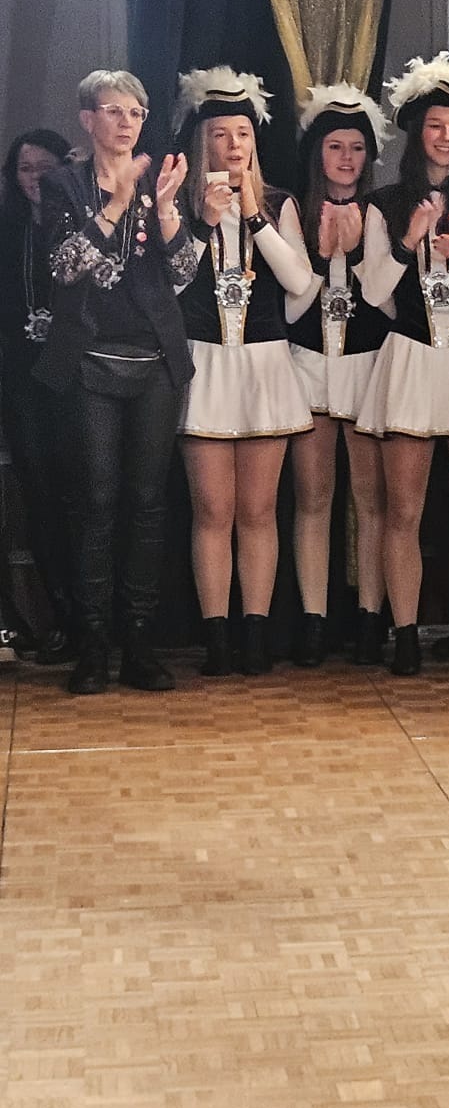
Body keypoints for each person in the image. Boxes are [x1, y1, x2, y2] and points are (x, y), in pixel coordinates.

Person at [35, 70, 196, 693]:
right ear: (87, 119)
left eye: (137, 112)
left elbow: (183, 274)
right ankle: (93, 646)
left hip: (154, 361)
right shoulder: (63, 183)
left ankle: (139, 642)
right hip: (88, 362)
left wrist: (168, 212)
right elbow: (64, 266)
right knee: (97, 503)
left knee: (148, 504)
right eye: (114, 111)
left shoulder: (159, 180)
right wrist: (115, 204)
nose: (127, 123)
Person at [356, 54, 449, 678]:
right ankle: (406, 632)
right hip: (412, 359)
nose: (447, 137)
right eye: (436, 126)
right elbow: (373, 293)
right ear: (417, 133)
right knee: (403, 510)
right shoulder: (383, 204)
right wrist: (408, 239)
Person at [177, 68, 316, 676]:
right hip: (204, 364)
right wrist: (205, 224)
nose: (233, 145)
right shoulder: (180, 202)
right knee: (213, 510)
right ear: (201, 142)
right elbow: (169, 285)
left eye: (242, 134)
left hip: (264, 365)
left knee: (259, 510)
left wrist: (256, 217)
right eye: (220, 135)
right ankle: (216, 636)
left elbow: (299, 283)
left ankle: (255, 633)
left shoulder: (280, 203)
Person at [285, 85, 392, 667]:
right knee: (313, 497)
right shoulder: (294, 212)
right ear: (317, 153)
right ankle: (313, 620)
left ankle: (372, 616)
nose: (347, 158)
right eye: (335, 146)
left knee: (371, 501)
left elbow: (391, 304)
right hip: (308, 365)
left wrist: (360, 254)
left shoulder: (383, 211)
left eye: (356, 147)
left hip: (368, 363)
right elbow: (287, 310)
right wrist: (325, 255)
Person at [0, 126, 74, 654]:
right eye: (25, 169)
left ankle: (95, 620)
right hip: (21, 379)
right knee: (40, 496)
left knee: (85, 495)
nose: (35, 179)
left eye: (45, 169)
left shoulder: (77, 225)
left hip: (76, 376)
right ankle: (59, 616)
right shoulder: (6, 227)